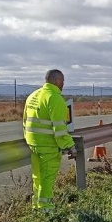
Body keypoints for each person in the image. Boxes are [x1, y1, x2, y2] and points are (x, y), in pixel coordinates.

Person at [23, 69, 75, 211]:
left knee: (37, 176)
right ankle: (45, 208)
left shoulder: (33, 95)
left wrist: (29, 138)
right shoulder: (55, 98)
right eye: (63, 81)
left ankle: (36, 205)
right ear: (57, 81)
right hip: (48, 145)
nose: (63, 84)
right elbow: (60, 128)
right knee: (47, 178)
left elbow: (25, 121)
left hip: (33, 143)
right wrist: (70, 145)